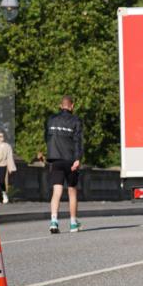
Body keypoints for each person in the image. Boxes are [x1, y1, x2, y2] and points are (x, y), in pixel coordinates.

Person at [45, 96, 84, 233]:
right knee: (72, 191)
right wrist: (78, 158)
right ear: (72, 106)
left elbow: (47, 137)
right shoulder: (76, 120)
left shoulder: (51, 119)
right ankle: (73, 223)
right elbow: (78, 141)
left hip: (55, 159)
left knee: (57, 191)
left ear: (60, 105)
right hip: (70, 160)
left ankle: (54, 221)